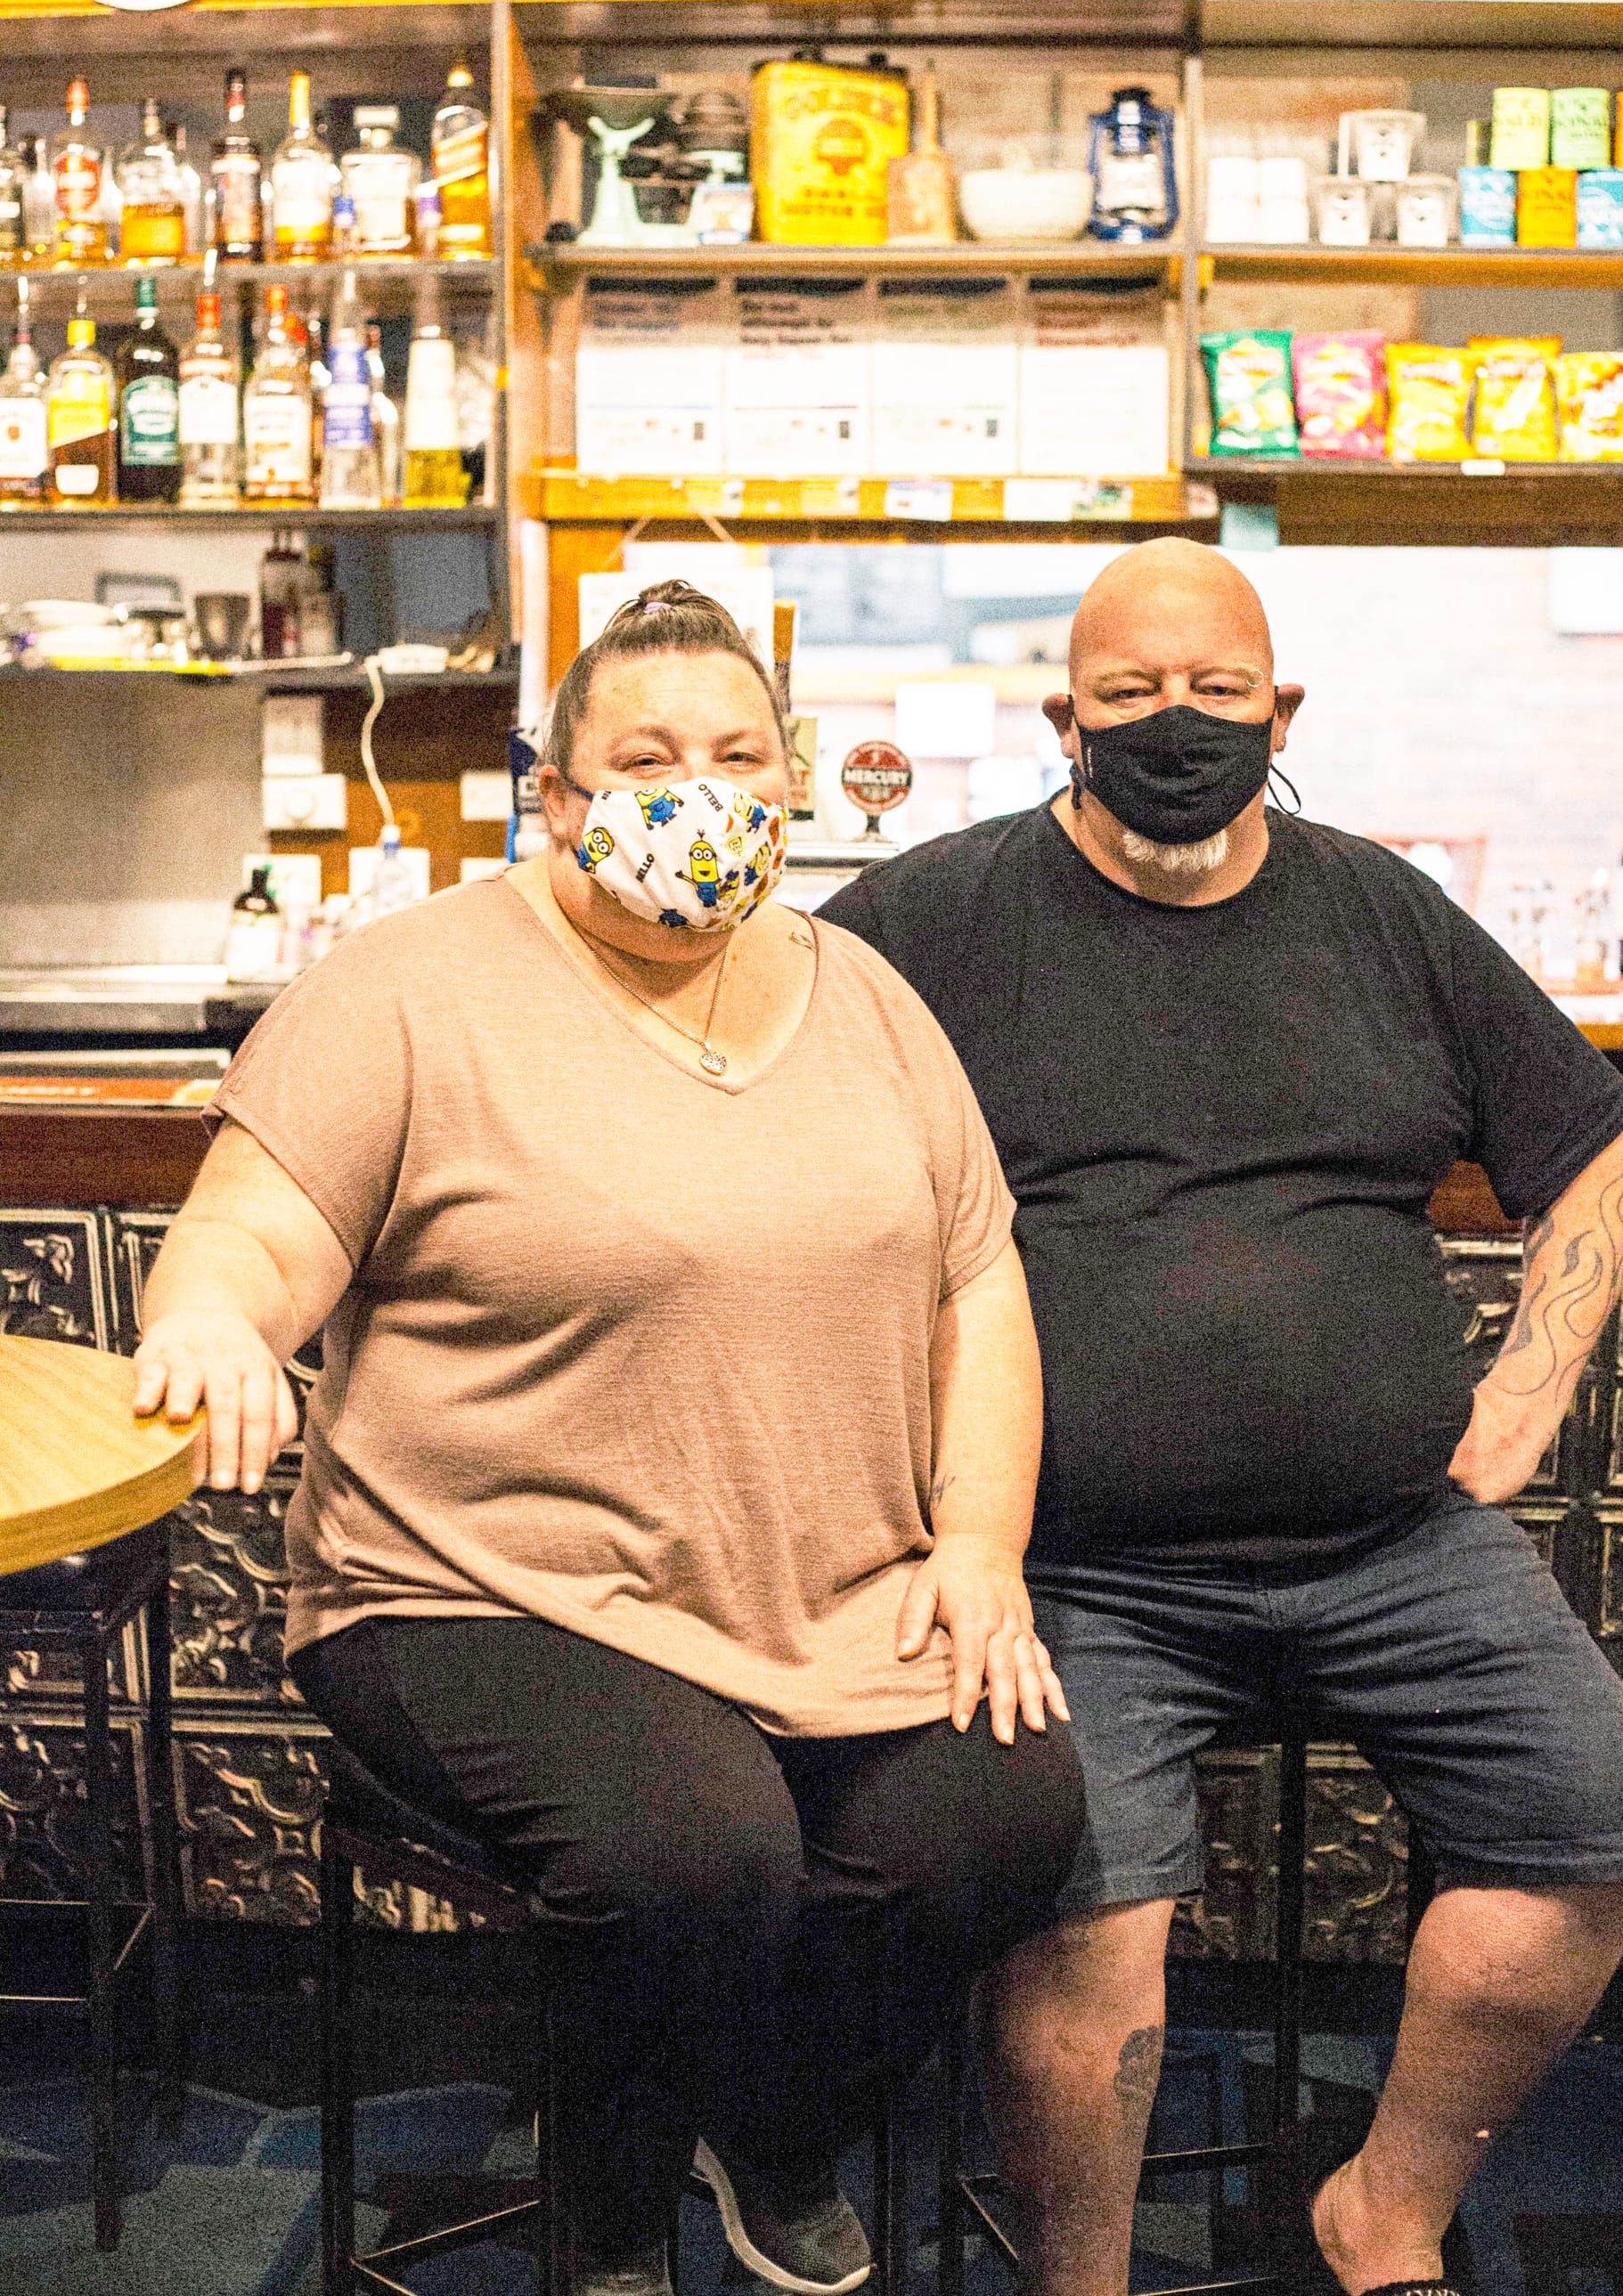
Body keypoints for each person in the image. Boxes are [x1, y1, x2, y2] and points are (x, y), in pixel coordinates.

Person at [133, 580, 1084, 2296]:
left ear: (788, 787)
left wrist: (979, 1547)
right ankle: (612, 2222)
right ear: (555, 794)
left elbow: (981, 1283)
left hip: (825, 1589)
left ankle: (772, 2130)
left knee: (1000, 1822)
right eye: (643, 759)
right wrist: (214, 1319)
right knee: (693, 1855)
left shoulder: (866, 993)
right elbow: (256, 1236)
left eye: (735, 754)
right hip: (478, 1589)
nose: (695, 791)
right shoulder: (410, 985)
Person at [823, 538, 1623, 2296]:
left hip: (1394, 1544)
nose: (1176, 725)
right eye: (1130, 695)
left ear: (1283, 710)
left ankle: (1391, 2208)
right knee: (1087, 1934)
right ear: (1063, 716)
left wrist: (1526, 1380)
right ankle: (1084, 2279)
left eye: (1218, 692)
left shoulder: (1385, 917)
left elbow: (1600, 1142)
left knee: (1590, 1828)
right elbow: (749, 1109)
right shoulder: (929, 922)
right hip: (1076, 1567)